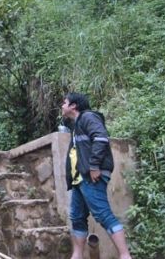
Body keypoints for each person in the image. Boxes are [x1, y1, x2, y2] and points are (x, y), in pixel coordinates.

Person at [62, 92, 132, 259]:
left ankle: (125, 256)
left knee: (102, 214)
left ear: (73, 106)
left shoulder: (88, 117)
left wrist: (94, 166)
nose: (62, 106)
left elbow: (101, 139)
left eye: (64, 102)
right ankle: (77, 255)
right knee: (77, 217)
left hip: (91, 176)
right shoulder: (76, 125)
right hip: (79, 178)